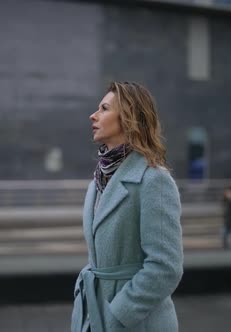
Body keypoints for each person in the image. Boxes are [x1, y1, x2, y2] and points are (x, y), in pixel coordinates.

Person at [71, 82, 183, 332]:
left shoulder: (154, 179)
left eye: (104, 108)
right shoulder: (99, 180)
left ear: (129, 118)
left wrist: (119, 313)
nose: (93, 115)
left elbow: (165, 267)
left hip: (135, 322)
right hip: (95, 315)